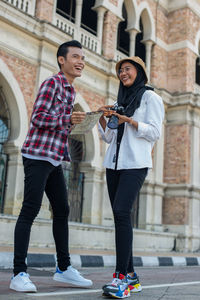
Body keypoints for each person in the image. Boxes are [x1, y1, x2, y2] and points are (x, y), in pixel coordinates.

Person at [9, 40, 93, 292]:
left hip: (54, 157)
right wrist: (67, 118)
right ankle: (18, 274)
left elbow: (58, 123)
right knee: (30, 210)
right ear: (62, 60)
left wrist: (81, 121)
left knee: (63, 210)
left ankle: (64, 269)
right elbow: (38, 117)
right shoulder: (52, 83)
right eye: (76, 57)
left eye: (83, 58)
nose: (81, 62)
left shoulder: (70, 90)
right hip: (38, 155)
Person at [98, 56, 164, 299]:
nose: (123, 73)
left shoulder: (150, 98)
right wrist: (104, 117)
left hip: (136, 164)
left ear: (138, 71)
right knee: (119, 216)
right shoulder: (120, 101)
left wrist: (131, 121)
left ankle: (121, 278)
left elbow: (155, 132)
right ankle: (133, 277)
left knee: (122, 211)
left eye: (127, 69)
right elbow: (108, 138)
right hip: (113, 165)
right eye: (120, 71)